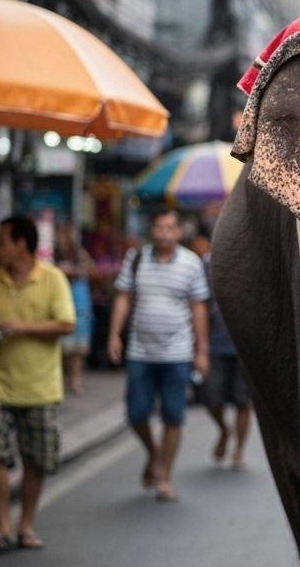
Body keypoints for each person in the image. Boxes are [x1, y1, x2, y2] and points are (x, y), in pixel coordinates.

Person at [107, 209, 209, 502]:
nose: (164, 232)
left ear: (178, 232)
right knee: (136, 413)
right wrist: (114, 334)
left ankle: (163, 476)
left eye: (169, 227)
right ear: (152, 230)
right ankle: (154, 452)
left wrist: (201, 351)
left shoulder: (190, 263)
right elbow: (124, 297)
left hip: (177, 353)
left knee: (173, 416)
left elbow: (198, 307)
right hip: (140, 351)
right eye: (159, 227)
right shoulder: (136, 259)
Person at [0, 216, 75, 553]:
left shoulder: (52, 279)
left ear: (21, 244)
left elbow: (66, 324)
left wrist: (20, 328)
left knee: (36, 460)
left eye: (2, 240)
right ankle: (3, 523)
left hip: (40, 387)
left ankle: (25, 523)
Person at [189, 232, 251, 469]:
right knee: (211, 397)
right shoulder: (206, 266)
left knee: (243, 402)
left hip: (243, 347)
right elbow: (198, 304)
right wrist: (199, 347)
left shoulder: (250, 266)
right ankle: (224, 430)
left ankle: (238, 451)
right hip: (214, 344)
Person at [55, 222, 95, 395]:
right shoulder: (54, 256)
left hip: (80, 304)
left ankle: (75, 380)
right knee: (62, 348)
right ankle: (61, 380)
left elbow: (93, 272)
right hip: (63, 302)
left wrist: (80, 266)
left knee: (77, 350)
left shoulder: (81, 255)